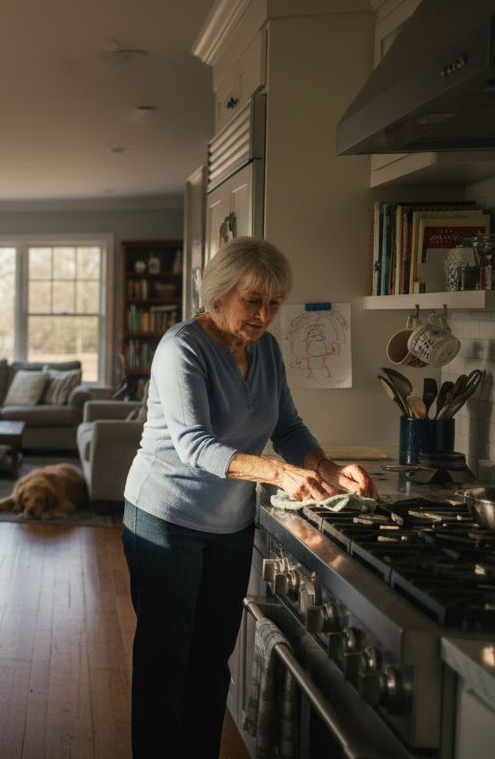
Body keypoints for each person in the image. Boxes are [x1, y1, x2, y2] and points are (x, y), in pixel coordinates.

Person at [121, 237, 376, 758]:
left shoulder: (265, 350)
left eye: (275, 303)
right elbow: (195, 445)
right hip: (165, 519)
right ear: (220, 293)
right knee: (165, 663)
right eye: (253, 300)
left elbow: (287, 425)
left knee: (211, 661)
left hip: (230, 524)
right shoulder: (181, 347)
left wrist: (326, 466)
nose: (264, 314)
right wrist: (278, 475)